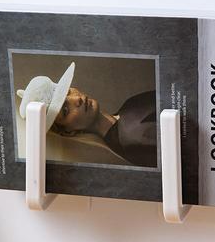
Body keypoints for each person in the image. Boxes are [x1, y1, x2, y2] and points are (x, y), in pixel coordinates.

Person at [17, 62, 157, 168]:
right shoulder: (132, 137)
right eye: (65, 110)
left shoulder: (128, 107)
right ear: (68, 131)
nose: (77, 99)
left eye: (69, 92)